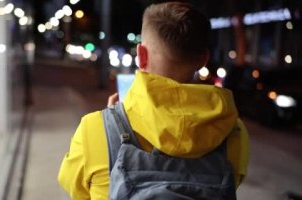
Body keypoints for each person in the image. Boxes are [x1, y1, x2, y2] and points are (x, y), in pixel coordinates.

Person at [58, 2, 249, 199]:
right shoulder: (233, 132)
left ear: (141, 55)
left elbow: (76, 190)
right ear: (203, 59)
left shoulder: (93, 129)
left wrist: (110, 124)